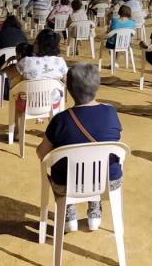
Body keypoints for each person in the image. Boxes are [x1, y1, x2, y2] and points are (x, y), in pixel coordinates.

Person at [36, 63, 122, 233]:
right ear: (97, 86)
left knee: (64, 171)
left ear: (69, 89)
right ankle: (95, 212)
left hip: (67, 185)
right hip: (108, 182)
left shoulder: (60, 120)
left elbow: (42, 153)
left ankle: (68, 212)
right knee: (96, 162)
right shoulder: (111, 113)